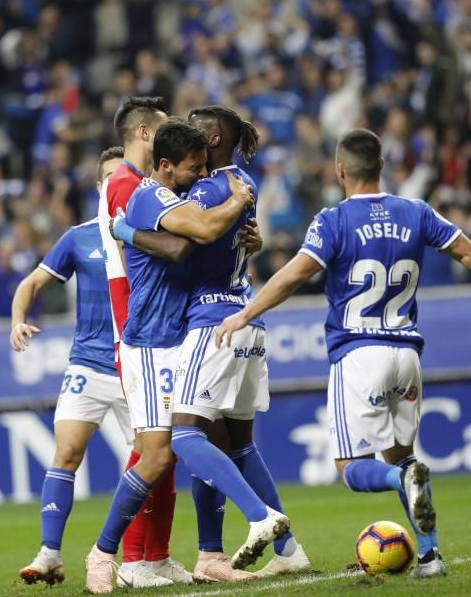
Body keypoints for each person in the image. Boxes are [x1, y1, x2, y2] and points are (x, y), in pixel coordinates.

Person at [215, 128, 471, 579]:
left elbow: (294, 275)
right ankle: (430, 556)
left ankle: (401, 484)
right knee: (402, 455)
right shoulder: (416, 212)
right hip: (407, 354)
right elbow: (470, 254)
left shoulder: (333, 220)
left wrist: (245, 313)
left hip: (359, 354)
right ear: (382, 166)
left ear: (340, 170)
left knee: (353, 469)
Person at [114, 106, 306, 580]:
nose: (185, 127)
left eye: (197, 125)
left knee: (185, 435)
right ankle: (282, 551)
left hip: (212, 321)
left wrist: (125, 230)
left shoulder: (208, 188)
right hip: (245, 317)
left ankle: (261, 521)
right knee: (237, 445)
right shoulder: (241, 183)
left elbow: (188, 241)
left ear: (213, 137)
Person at [84, 119, 258, 594]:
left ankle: (211, 555)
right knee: (158, 455)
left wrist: (244, 237)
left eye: (205, 167)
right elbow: (188, 242)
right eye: (193, 168)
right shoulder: (149, 195)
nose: (202, 176)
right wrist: (238, 202)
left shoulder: (181, 195)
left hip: (184, 336)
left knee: (209, 438)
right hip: (150, 341)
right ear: (164, 166)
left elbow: (202, 240)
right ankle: (102, 554)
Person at [14, 147, 133, 586]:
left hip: (134, 365)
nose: (119, 182)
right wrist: (17, 321)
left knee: (149, 463)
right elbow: (31, 283)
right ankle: (49, 553)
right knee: (65, 453)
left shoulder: (150, 233)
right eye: (110, 176)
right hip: (88, 362)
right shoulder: (79, 237)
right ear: (100, 186)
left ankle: (134, 558)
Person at [96, 96, 182, 587]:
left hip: (156, 331)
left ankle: (156, 557)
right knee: (149, 448)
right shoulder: (125, 184)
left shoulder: (138, 183)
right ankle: (127, 557)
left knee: (165, 449)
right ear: (146, 133)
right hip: (141, 333)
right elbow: (167, 247)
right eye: (164, 130)